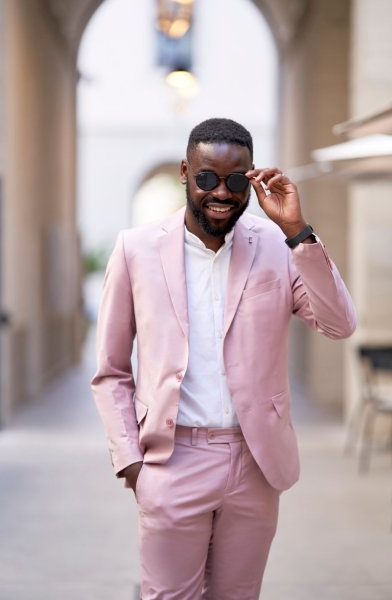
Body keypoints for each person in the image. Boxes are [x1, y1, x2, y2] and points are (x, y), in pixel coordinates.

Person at [91, 117, 356, 599]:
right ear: (184, 172)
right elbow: (110, 370)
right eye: (207, 177)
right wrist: (131, 461)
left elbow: (339, 324)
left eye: (236, 181)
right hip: (172, 460)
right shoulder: (135, 250)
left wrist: (298, 231)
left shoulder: (279, 246)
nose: (221, 192)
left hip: (254, 462)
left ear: (252, 180)